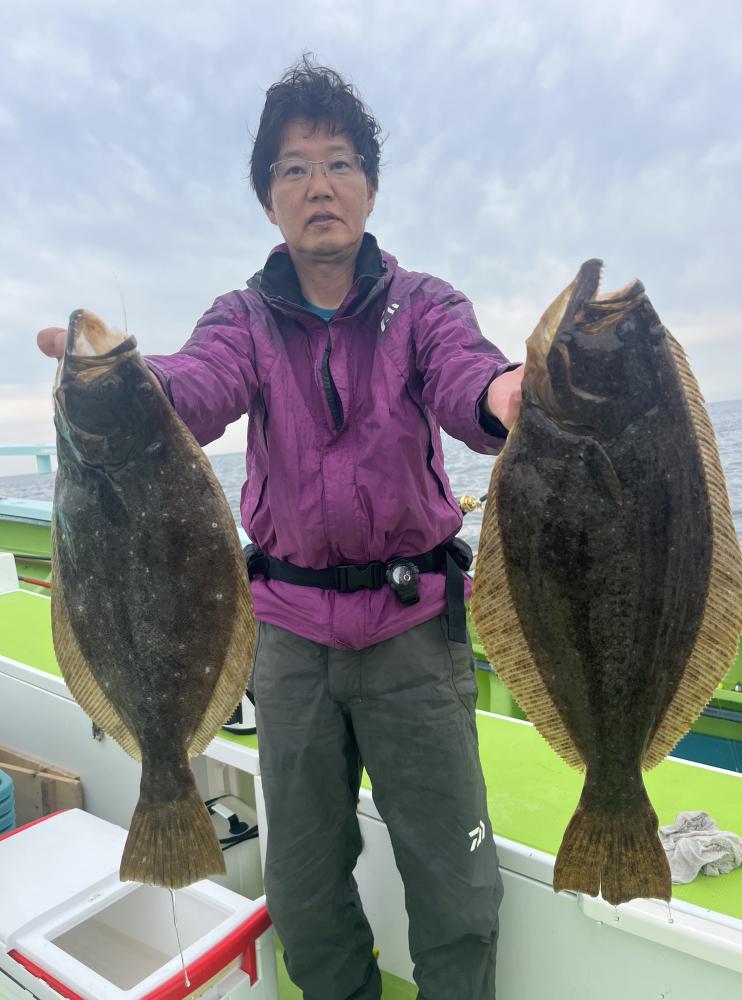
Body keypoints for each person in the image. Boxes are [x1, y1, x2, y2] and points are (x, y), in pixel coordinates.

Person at [39, 57, 524, 1000]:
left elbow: (468, 376)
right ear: (270, 201)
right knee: (304, 897)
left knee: (456, 891)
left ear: (371, 188)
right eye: (294, 169)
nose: (318, 186)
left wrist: (506, 392)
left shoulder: (426, 306)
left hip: (412, 634)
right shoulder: (244, 319)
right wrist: (126, 384)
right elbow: (195, 385)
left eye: (338, 163)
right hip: (290, 643)